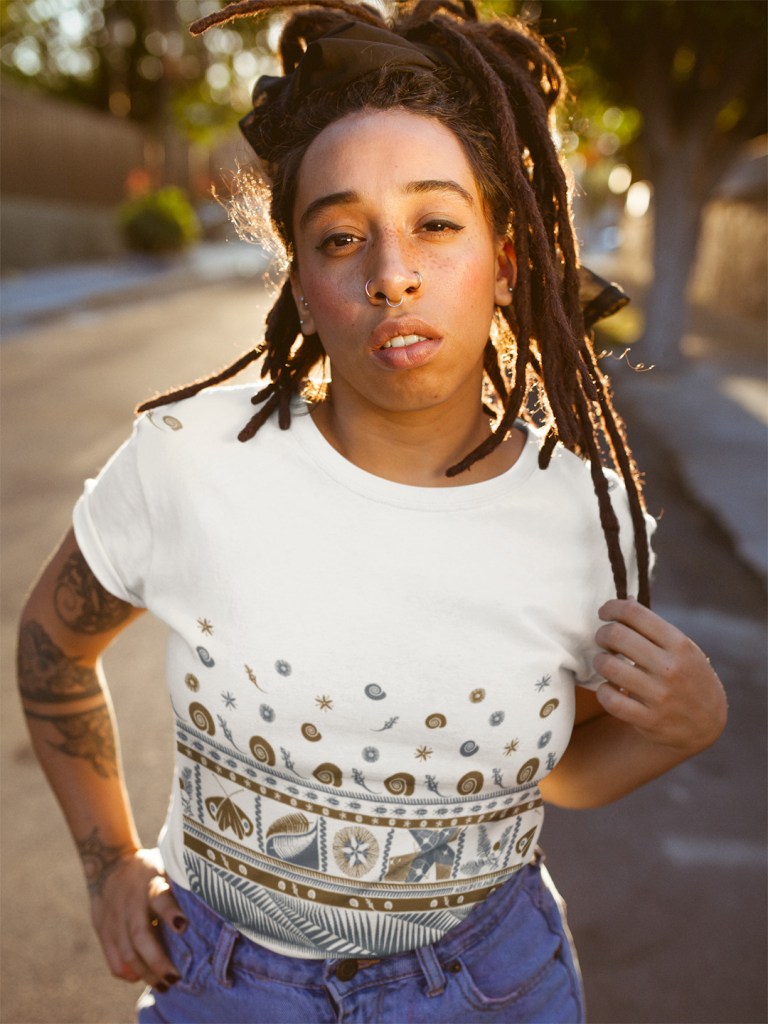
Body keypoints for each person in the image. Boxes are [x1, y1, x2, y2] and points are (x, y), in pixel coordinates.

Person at [17, 2, 727, 1021]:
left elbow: (551, 775)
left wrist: (681, 729)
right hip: (222, 986)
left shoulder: (590, 518)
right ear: (303, 286)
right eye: (341, 237)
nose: (392, 275)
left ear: (506, 261)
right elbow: (52, 645)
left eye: (436, 224)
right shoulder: (192, 461)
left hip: (490, 986)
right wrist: (106, 863)